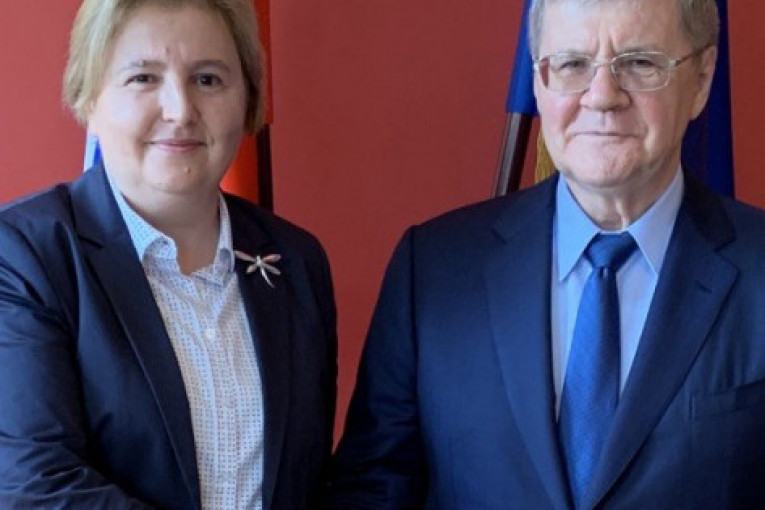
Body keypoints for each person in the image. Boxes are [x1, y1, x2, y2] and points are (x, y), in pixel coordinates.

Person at [328, 0, 765, 508]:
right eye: (573, 64)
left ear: (702, 79)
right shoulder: (432, 272)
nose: (602, 96)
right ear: (538, 79)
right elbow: (373, 492)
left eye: (640, 63)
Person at [0, 1, 336, 509]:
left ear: (248, 99)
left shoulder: (296, 261)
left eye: (207, 79)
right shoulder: (25, 255)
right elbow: (35, 486)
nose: (180, 110)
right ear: (89, 97)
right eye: (143, 78)